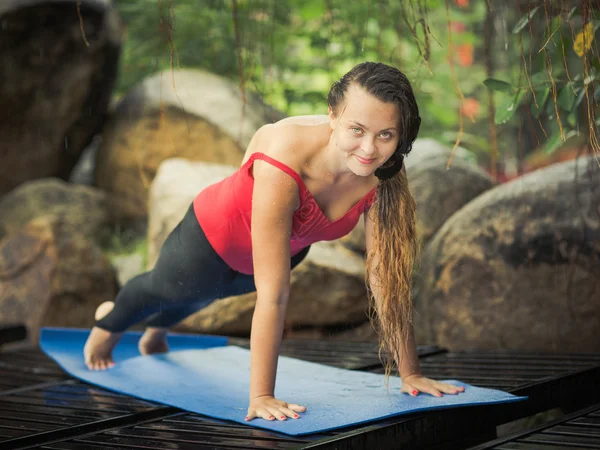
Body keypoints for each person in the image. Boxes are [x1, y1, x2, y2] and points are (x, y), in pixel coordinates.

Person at [83, 61, 465, 423]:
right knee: (164, 289)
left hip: (282, 253)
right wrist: (262, 396)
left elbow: (386, 279)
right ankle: (107, 327)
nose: (369, 149)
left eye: (386, 135)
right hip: (210, 239)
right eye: (357, 130)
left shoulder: (383, 176)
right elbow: (274, 296)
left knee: (199, 301)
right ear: (333, 116)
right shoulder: (285, 160)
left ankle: (154, 336)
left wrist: (410, 374)